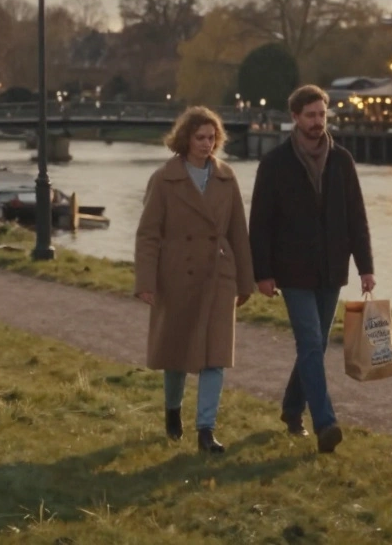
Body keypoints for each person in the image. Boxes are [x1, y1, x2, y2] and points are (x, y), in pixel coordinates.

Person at [249, 85, 374, 454]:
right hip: (293, 270)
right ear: (294, 118)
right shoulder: (274, 165)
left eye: (322, 115)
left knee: (315, 347)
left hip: (332, 269)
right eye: (310, 116)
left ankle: (290, 409)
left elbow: (357, 218)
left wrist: (366, 267)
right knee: (309, 342)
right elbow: (260, 224)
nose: (318, 122)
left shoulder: (342, 161)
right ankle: (325, 422)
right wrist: (263, 272)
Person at [134, 107, 255, 454]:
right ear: (185, 139)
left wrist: (245, 280)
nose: (207, 144)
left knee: (215, 355)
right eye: (200, 137)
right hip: (177, 275)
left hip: (219, 274)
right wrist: (146, 280)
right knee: (177, 354)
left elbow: (238, 232)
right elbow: (148, 234)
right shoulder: (164, 179)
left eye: (212, 137)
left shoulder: (226, 177)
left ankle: (206, 430)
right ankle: (173, 411)